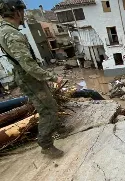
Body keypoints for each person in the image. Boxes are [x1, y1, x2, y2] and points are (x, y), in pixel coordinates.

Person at [0, 0, 64, 158]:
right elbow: (28, 64)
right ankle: (46, 144)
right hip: (29, 78)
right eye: (22, 11)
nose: (23, 15)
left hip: (29, 76)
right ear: (16, 12)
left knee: (50, 103)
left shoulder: (5, 30)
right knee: (47, 110)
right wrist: (53, 77)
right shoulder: (11, 34)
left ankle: (57, 128)